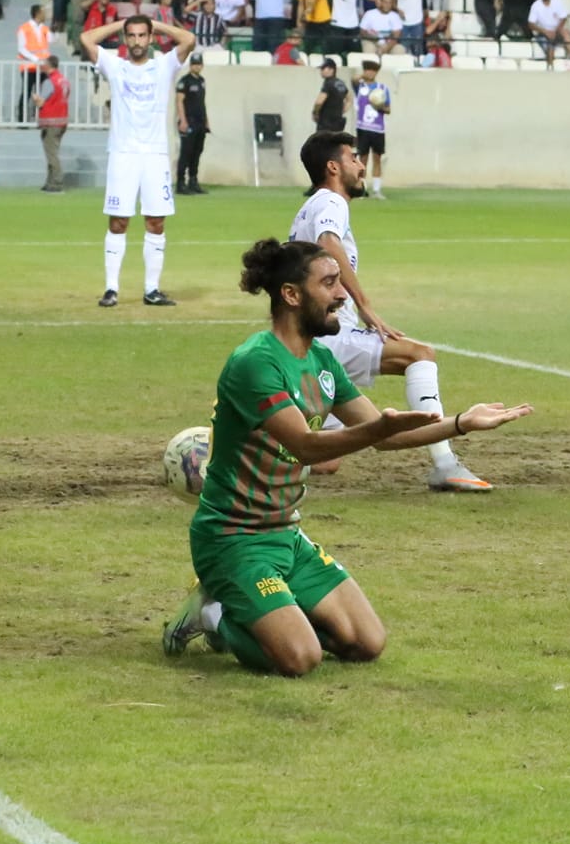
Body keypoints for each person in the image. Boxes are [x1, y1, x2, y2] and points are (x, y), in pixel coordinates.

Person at [160, 238, 532, 675]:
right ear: (292, 295)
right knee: (301, 659)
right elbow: (305, 445)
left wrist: (461, 423)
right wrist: (377, 429)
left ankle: (270, 609)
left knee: (366, 643)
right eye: (330, 283)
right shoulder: (255, 363)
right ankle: (216, 615)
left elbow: (385, 437)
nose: (342, 295)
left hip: (286, 534)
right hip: (233, 539)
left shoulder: (320, 360)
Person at [287, 134, 494, 492]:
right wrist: (365, 307)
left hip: (309, 345)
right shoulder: (332, 203)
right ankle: (445, 464)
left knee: (326, 460)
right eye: (354, 158)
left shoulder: (309, 207)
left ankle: (244, 452)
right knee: (419, 355)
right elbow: (328, 243)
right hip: (329, 339)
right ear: (333, 167)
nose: (362, 165)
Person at [79, 14, 198, 307]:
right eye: (131, 35)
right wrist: (120, 23)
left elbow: (189, 39)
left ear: (150, 37)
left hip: (155, 155)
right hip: (123, 154)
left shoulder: (164, 66)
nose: (136, 41)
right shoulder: (115, 67)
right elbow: (86, 39)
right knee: (118, 221)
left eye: (142, 35)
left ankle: (151, 289)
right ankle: (111, 289)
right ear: (125, 38)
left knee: (156, 222)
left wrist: (156, 24)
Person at [352, 58, 391, 199]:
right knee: (362, 159)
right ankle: (361, 189)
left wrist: (379, 106)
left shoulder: (382, 88)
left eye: (373, 70)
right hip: (363, 127)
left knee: (377, 158)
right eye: (368, 69)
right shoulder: (360, 87)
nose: (370, 73)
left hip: (378, 129)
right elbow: (354, 79)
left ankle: (377, 190)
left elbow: (388, 109)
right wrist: (363, 75)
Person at [175, 51, 208, 195]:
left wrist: (207, 121)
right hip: (189, 122)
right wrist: (183, 121)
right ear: (190, 65)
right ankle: (181, 183)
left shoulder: (202, 81)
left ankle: (193, 181)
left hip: (200, 122)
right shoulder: (184, 81)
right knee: (185, 153)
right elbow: (179, 101)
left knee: (197, 153)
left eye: (199, 64)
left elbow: (202, 103)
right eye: (194, 64)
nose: (197, 67)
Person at [34, 52, 68, 192]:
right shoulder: (63, 80)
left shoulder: (49, 81)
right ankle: (50, 182)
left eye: (44, 63)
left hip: (51, 121)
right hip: (62, 120)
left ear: (49, 65)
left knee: (51, 154)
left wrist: (35, 98)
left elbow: (41, 101)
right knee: (52, 152)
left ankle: (57, 182)